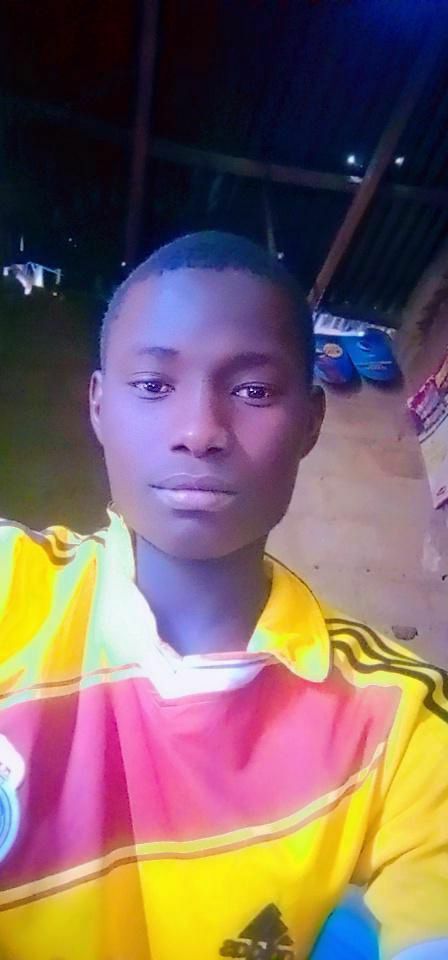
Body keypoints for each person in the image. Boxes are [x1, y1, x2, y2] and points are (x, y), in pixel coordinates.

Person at [0, 231, 447, 960]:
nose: (200, 432)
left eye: (253, 391)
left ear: (310, 423)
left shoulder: (400, 725)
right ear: (99, 406)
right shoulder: (10, 592)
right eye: (154, 386)